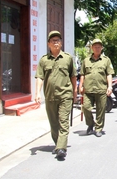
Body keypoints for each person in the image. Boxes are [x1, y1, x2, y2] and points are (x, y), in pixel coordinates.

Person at [34, 30, 77, 160]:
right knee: (54, 124)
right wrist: (37, 93)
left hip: (65, 95)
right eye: (53, 40)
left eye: (58, 40)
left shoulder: (68, 58)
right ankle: (58, 144)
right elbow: (40, 77)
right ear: (49, 44)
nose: (56, 42)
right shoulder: (44, 60)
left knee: (63, 122)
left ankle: (61, 148)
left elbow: (73, 77)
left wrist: (74, 92)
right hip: (50, 96)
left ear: (61, 43)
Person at [78, 39, 114, 137]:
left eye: (99, 47)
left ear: (101, 48)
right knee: (86, 108)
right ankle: (90, 124)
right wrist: (80, 86)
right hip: (88, 89)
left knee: (101, 110)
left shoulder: (106, 60)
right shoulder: (86, 60)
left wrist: (109, 86)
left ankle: (98, 128)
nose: (97, 48)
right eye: (95, 47)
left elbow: (109, 74)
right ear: (92, 48)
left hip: (101, 88)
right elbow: (82, 74)